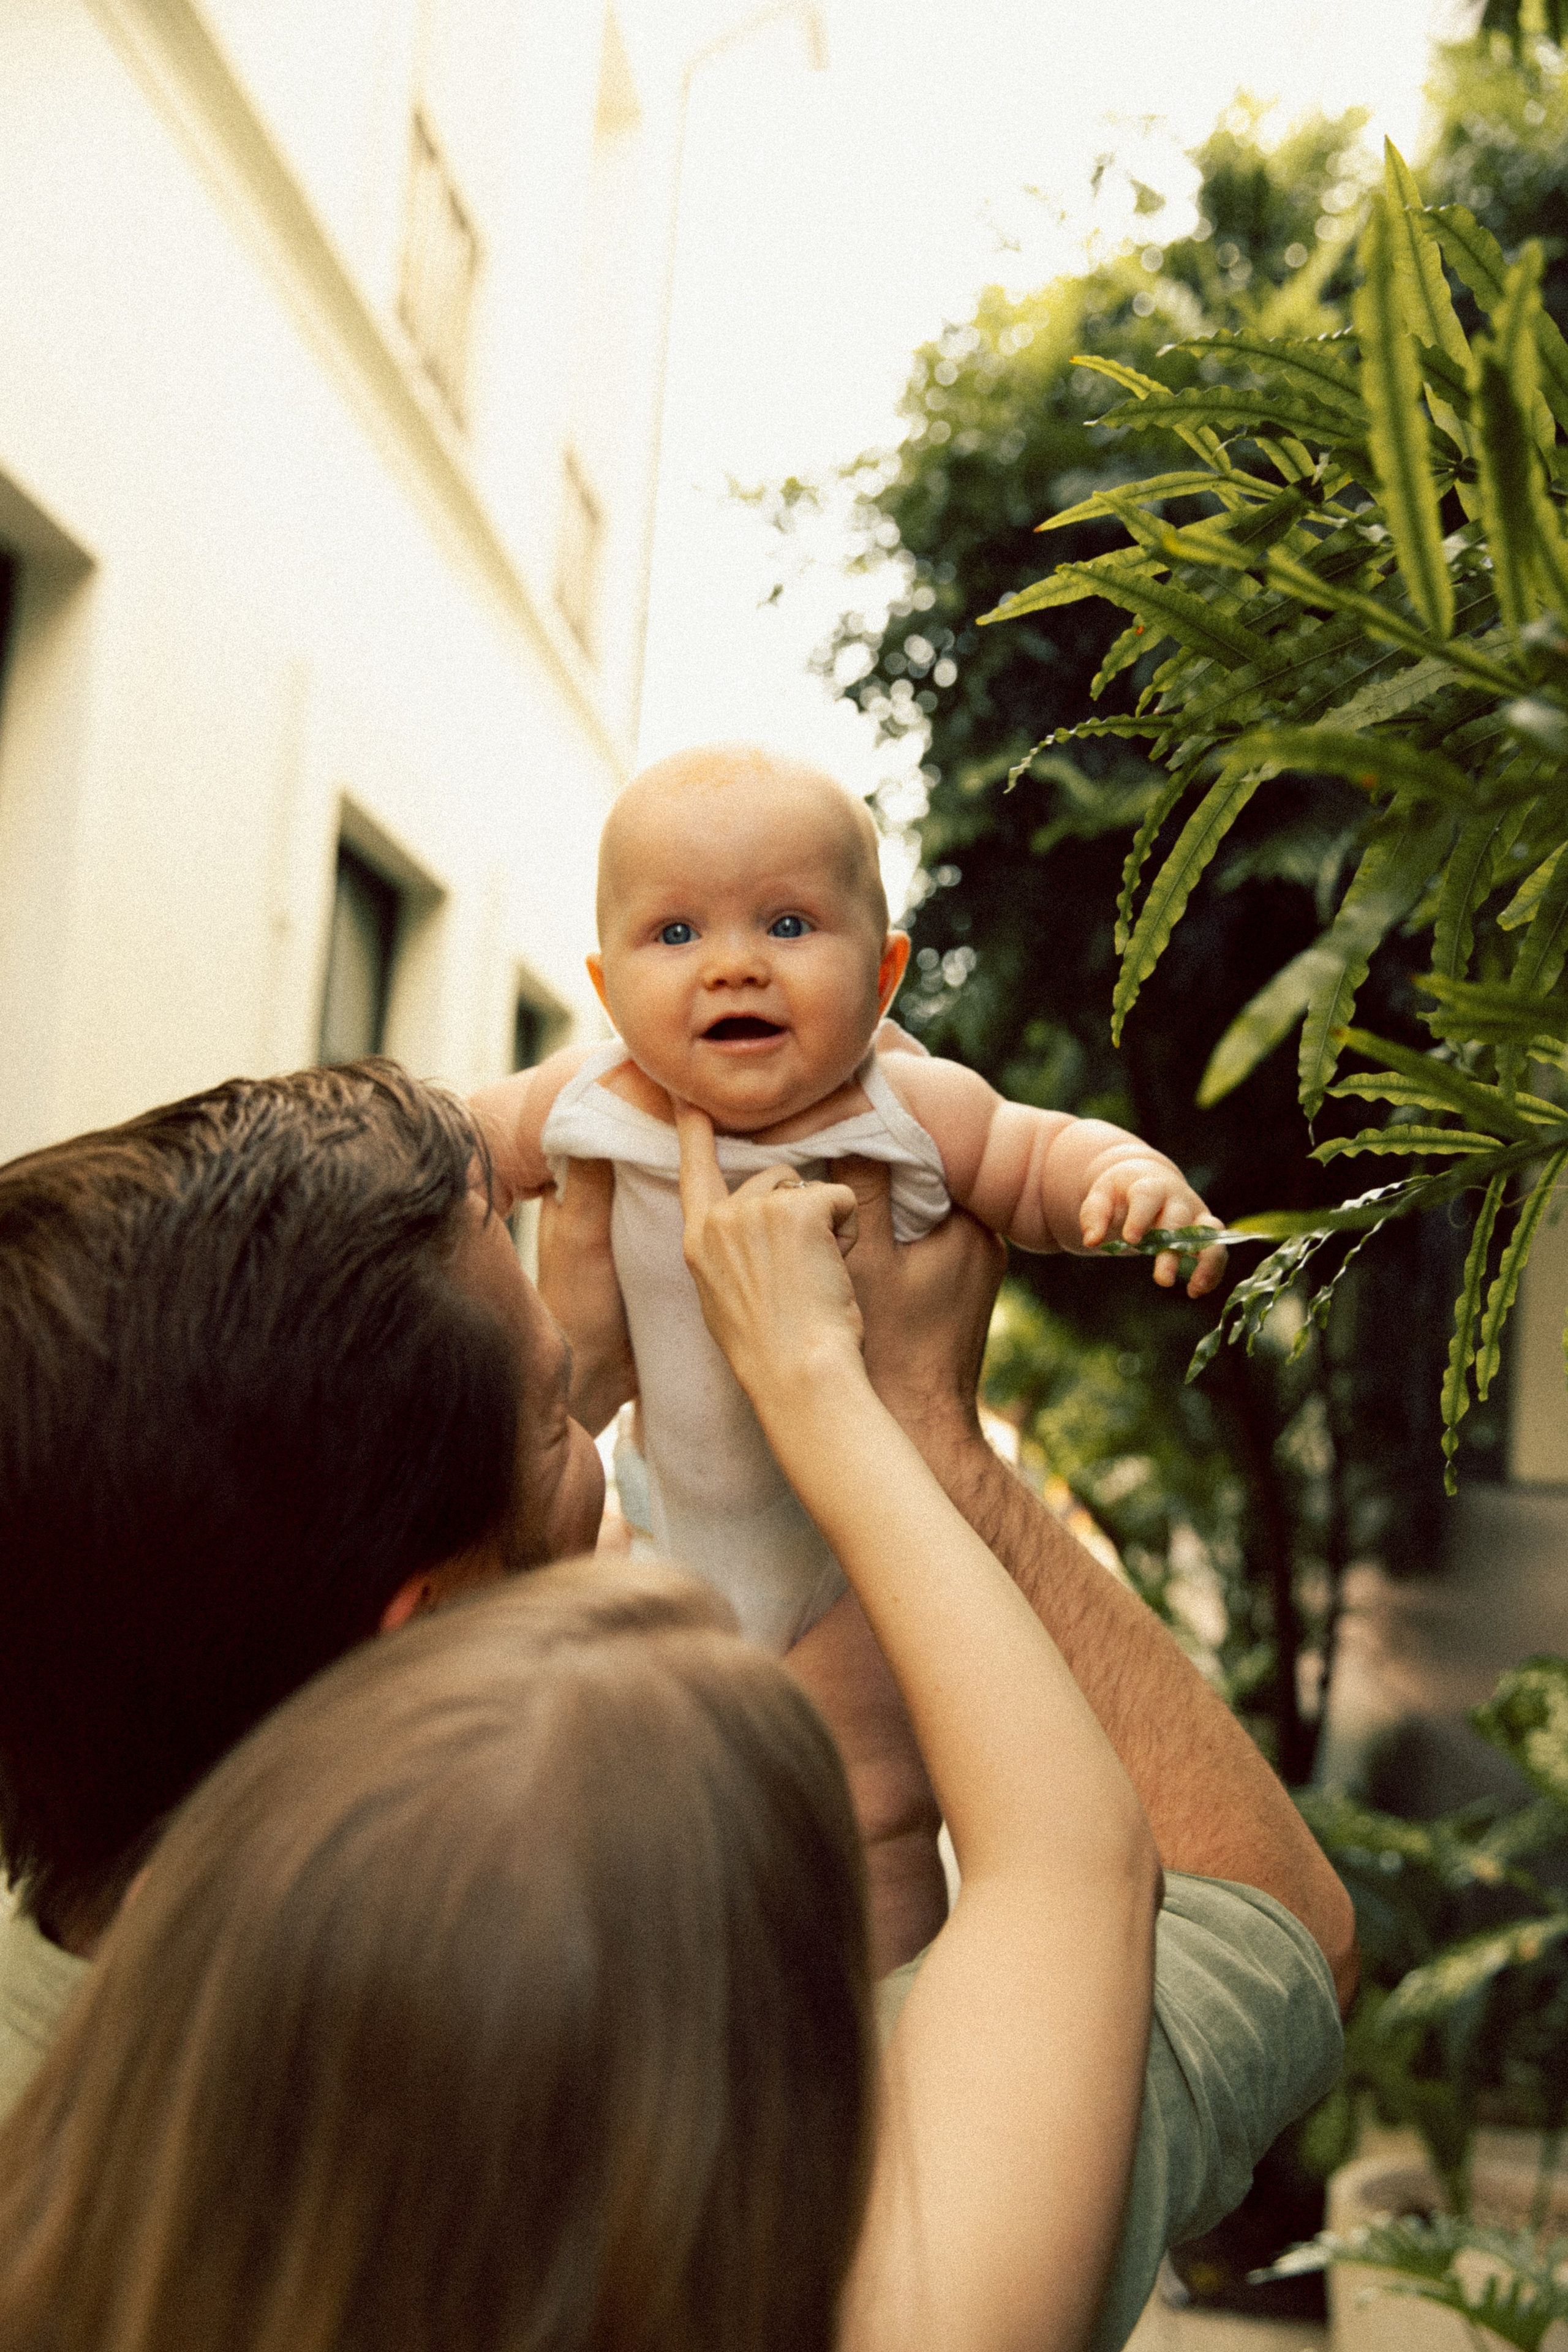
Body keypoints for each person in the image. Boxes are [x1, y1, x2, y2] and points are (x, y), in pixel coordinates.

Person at [0, 1057, 1351, 2350]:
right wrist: (899, 1417)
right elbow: (1254, 1913)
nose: (594, 1427)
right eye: (559, 1418)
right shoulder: (741, 2182)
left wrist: (530, 1425)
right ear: (412, 1639)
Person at [472, 739, 1225, 1963]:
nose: (733, 965)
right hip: (659, 1537)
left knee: (875, 1812)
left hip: (857, 1557)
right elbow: (454, 1146)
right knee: (650, 1800)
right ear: (606, 989)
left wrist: (1127, 1183)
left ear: (883, 976)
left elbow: (1039, 1154)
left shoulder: (907, 1108)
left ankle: (886, 2008)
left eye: (787, 924)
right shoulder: (592, 1097)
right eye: (676, 933)